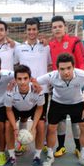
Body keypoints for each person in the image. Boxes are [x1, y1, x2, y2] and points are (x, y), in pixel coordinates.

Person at [37, 53, 84, 166]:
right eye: (62, 69)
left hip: (77, 103)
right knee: (51, 128)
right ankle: (49, 155)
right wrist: (35, 86)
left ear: (73, 67)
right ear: (57, 69)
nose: (66, 72)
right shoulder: (52, 76)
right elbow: (35, 81)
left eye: (69, 68)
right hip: (58, 103)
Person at [49, 15, 84, 159]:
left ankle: (78, 148)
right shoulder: (51, 44)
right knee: (59, 120)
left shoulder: (74, 41)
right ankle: (61, 147)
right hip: (59, 87)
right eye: (54, 27)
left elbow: (82, 61)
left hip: (75, 87)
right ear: (52, 30)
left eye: (60, 26)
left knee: (76, 120)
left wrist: (82, 82)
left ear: (65, 27)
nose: (57, 29)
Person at [14, 17, 51, 156]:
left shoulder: (45, 47)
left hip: (42, 89)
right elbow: (16, 65)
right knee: (23, 117)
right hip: (24, 89)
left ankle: (44, 144)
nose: (31, 32)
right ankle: (21, 143)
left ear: (38, 30)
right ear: (25, 30)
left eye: (34, 29)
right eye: (29, 29)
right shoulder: (18, 48)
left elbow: (49, 64)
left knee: (42, 119)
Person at [3, 65, 45, 166]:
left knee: (40, 125)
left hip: (32, 108)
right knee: (8, 125)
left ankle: (37, 157)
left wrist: (33, 127)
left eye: (25, 78)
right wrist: (15, 128)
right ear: (15, 80)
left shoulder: (38, 90)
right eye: (19, 79)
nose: (22, 82)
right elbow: (9, 110)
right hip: (16, 108)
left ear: (30, 79)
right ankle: (12, 157)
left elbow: (39, 109)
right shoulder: (10, 91)